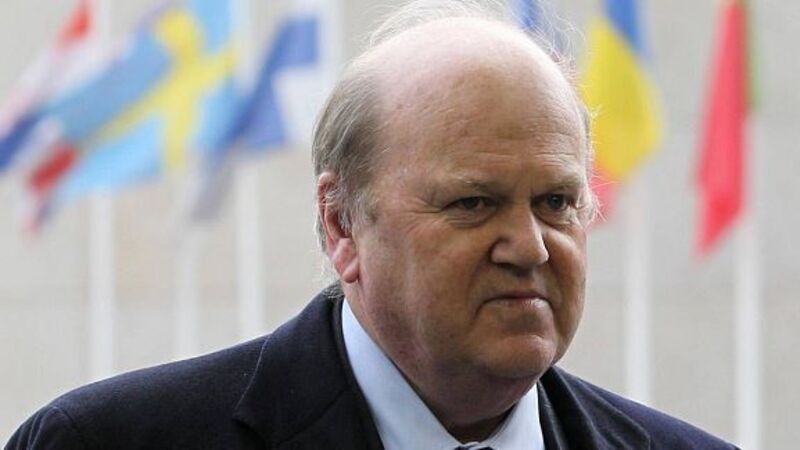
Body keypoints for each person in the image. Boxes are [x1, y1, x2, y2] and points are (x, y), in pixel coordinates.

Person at [7, 1, 738, 449]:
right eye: (473, 203)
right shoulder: (105, 441)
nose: (529, 246)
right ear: (341, 224)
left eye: (556, 202)